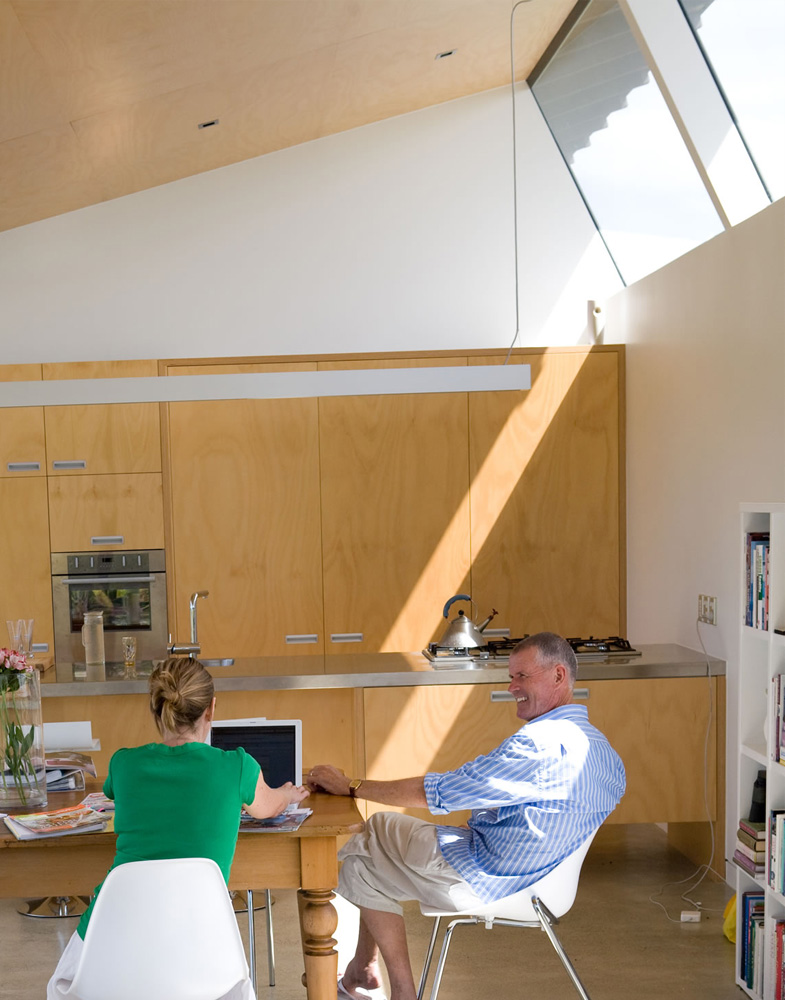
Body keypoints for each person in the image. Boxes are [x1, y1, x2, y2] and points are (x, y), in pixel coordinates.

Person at [308, 632, 625, 1000]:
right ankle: (366, 975)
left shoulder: (540, 744)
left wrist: (351, 785)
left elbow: (439, 793)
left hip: (484, 878)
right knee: (362, 869)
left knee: (376, 828)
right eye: (511, 677)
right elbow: (549, 815)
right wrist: (486, 822)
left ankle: (397, 989)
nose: (512, 687)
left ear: (558, 676)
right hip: (545, 887)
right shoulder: (605, 754)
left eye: (522, 676)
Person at [46, 657, 309, 1000]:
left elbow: (109, 790)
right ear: (211, 710)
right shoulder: (236, 766)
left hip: (114, 942)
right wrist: (287, 794)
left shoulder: (124, 763)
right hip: (202, 948)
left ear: (156, 709)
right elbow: (267, 806)